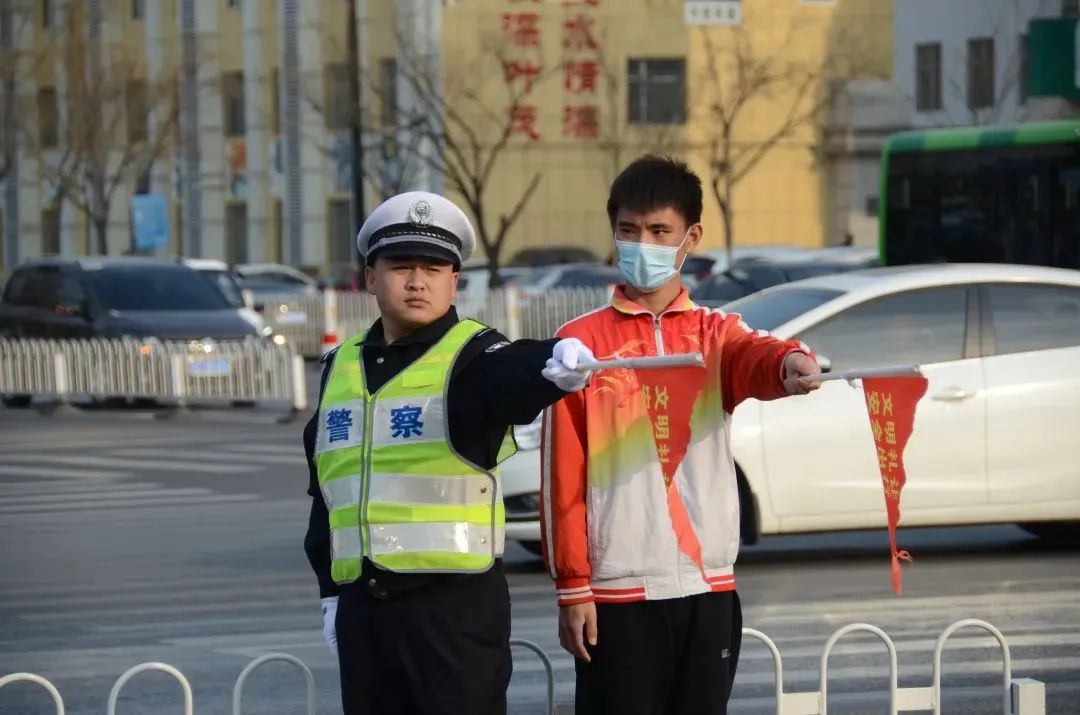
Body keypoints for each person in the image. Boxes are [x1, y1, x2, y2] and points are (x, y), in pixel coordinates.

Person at [541, 156, 822, 715]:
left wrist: (791, 361)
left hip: (707, 586)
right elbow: (562, 478)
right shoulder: (580, 346)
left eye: (658, 231)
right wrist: (573, 587)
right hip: (616, 593)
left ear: (690, 237)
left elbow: (760, 356)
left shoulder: (716, 335)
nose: (640, 244)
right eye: (627, 230)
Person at [304, 191, 596, 715]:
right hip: (364, 614)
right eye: (400, 267)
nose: (418, 282)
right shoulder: (338, 367)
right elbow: (327, 490)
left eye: (434, 268)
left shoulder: (474, 357)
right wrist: (330, 590)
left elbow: (514, 372)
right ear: (369, 277)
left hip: (451, 618)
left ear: (454, 281)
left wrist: (553, 364)